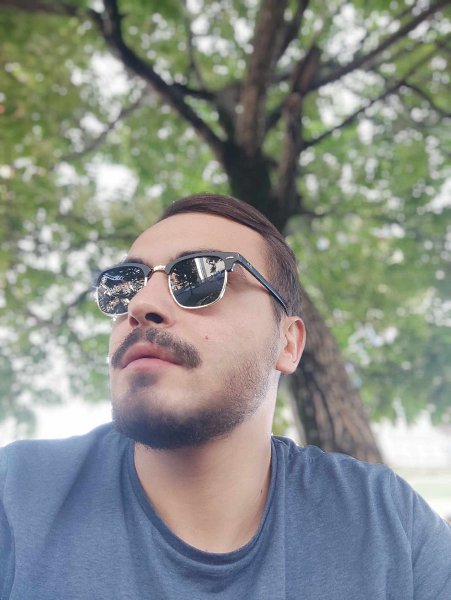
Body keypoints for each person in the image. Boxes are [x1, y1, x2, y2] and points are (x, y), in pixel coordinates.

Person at [1, 193, 450, 599]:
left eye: (199, 276)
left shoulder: (388, 525)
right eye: (125, 284)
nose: (140, 305)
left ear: (288, 343)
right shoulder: (15, 495)